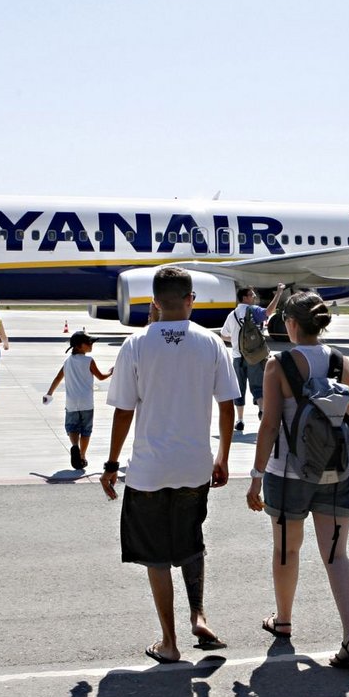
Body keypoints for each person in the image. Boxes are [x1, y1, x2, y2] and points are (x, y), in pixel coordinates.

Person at [101, 266, 240, 663]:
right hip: (194, 466)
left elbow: (124, 411)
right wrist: (223, 456)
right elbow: (227, 404)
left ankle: (169, 641)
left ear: (153, 302)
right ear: (193, 300)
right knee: (191, 540)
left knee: (157, 556)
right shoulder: (211, 343)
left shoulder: (136, 344)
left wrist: (111, 463)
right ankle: (198, 615)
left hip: (149, 470)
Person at [245, 291, 349, 669]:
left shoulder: (278, 364)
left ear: (291, 324)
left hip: (289, 473)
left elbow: (268, 426)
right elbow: (343, 414)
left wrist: (255, 476)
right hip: (337, 470)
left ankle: (283, 621)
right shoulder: (340, 362)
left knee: (287, 549)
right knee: (336, 555)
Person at [46, 330, 113, 462]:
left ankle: (75, 446)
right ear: (78, 346)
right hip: (87, 402)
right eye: (88, 342)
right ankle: (82, 456)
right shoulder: (89, 360)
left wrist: (49, 393)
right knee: (86, 430)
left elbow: (58, 378)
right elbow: (100, 377)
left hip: (71, 402)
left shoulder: (67, 362)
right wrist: (111, 372)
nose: (91, 344)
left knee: (72, 427)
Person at [219, 288, 269, 434]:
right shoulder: (253, 311)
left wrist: (236, 341)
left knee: (239, 390)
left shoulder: (232, 314)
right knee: (258, 387)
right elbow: (267, 313)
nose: (254, 297)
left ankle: (240, 420)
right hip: (254, 357)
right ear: (245, 297)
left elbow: (223, 335)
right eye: (252, 295)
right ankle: (261, 410)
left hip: (238, 357)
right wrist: (278, 293)